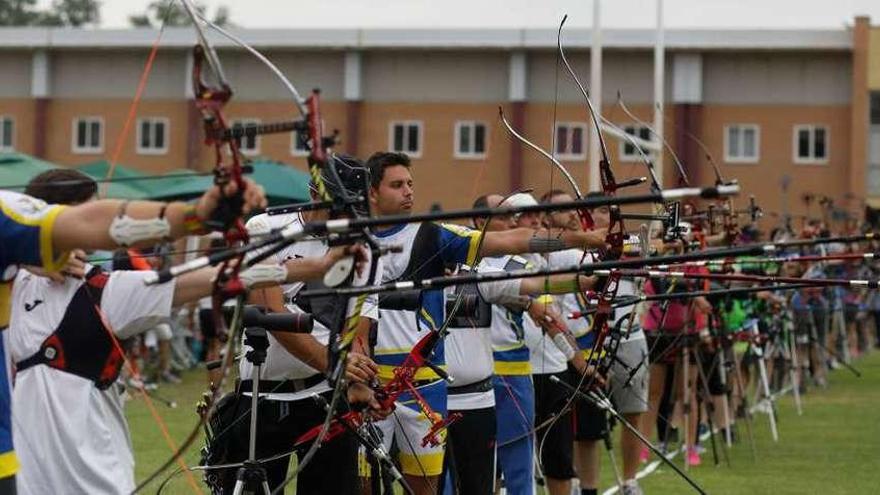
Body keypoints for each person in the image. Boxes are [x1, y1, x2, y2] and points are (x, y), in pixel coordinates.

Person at [7, 169, 332, 495]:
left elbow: (222, 277)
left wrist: (316, 266)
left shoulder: (104, 292)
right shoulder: (16, 282)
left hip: (91, 483)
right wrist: (32, 260)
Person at [364, 152, 605, 495]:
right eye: (397, 185)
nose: (408, 192)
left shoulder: (436, 238)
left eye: (411, 184)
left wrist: (587, 243)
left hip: (427, 387)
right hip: (369, 382)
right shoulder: (351, 241)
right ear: (372, 192)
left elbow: (515, 246)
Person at [215, 155, 385, 495]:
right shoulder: (266, 229)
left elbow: (358, 323)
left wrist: (360, 379)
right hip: (264, 394)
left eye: (354, 207)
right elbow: (274, 316)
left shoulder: (362, 240)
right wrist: (337, 365)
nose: (347, 217)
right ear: (313, 193)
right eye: (339, 206)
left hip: (325, 395)